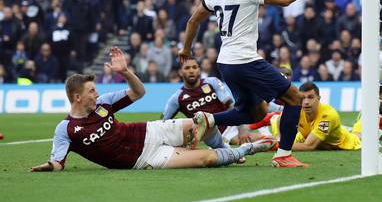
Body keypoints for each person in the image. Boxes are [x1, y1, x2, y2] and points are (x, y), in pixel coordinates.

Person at [180, 0, 323, 167]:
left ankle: (210, 119)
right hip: (245, 60)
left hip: (226, 63)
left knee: (253, 113)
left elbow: (192, 21)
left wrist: (185, 50)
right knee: (295, 98)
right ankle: (283, 155)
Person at [30, 47, 274, 172]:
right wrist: (48, 166)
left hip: (152, 131)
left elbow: (138, 93)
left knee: (204, 120)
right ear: (77, 97)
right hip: (146, 159)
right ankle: (247, 149)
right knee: (207, 158)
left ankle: (228, 150)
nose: (96, 93)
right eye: (91, 91)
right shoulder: (66, 129)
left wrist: (125, 72)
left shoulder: (104, 103)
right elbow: (58, 162)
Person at [162, 58, 256, 146]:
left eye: (194, 67)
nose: (191, 71)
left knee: (260, 109)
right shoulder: (177, 98)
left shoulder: (212, 82)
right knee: (253, 140)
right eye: (187, 68)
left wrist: (241, 128)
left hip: (232, 124)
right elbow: (162, 122)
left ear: (199, 70)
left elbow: (231, 105)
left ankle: (268, 120)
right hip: (215, 135)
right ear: (180, 72)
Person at [290, 82, 361, 151]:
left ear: (318, 98)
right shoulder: (297, 110)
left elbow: (309, 146)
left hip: (346, 143)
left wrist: (279, 147)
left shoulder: (328, 115)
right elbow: (280, 119)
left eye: (310, 97)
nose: (306, 102)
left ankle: (363, 119)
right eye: (303, 98)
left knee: (358, 135)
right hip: (310, 135)